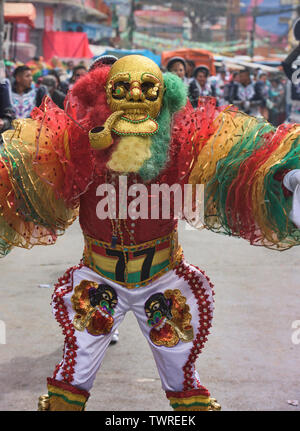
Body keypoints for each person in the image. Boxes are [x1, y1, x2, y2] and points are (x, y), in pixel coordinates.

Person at [0, 55, 300, 413]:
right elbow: (20, 170)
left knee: (184, 386)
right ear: (101, 96)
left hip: (163, 280)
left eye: (146, 89)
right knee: (70, 385)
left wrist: (284, 174)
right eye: (121, 89)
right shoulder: (77, 142)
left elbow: (239, 158)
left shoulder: (182, 140)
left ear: (164, 96)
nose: (135, 99)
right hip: (98, 281)